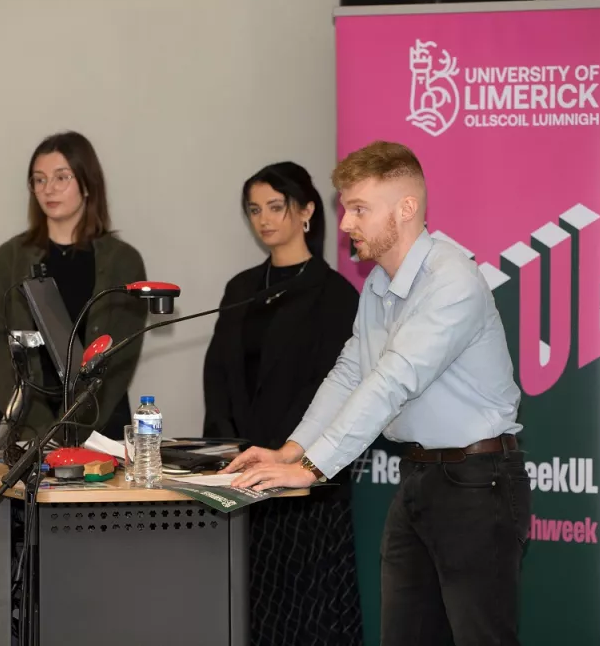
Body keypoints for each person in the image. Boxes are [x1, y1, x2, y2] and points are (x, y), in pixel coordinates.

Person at [224, 141, 530, 646]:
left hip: (479, 484)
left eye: (360, 209)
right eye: (346, 208)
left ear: (406, 209)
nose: (344, 223)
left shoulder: (451, 280)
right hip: (419, 477)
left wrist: (311, 468)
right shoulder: (379, 285)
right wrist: (292, 449)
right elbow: (351, 373)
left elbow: (392, 380)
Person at [203, 161, 363, 645]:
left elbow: (335, 389)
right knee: (244, 609)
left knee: (303, 614)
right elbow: (219, 374)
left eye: (276, 207)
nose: (265, 220)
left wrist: (288, 453)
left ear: (307, 210)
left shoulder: (334, 294)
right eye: (255, 210)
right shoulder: (240, 288)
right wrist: (226, 447)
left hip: (304, 484)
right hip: (241, 471)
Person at [0, 131, 147, 442]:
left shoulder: (124, 261)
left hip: (98, 425)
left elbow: (122, 355)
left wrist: (76, 426)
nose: (48, 189)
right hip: (23, 427)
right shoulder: (10, 257)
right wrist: (41, 427)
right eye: (38, 180)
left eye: (60, 177)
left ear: (86, 184)